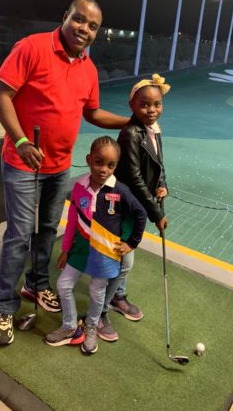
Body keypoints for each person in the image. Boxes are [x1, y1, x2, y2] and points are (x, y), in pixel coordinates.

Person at [0, 0, 129, 346]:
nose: (84, 29)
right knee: (20, 234)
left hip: (60, 165)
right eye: (79, 20)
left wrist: (133, 121)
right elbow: (0, 94)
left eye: (93, 26)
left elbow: (93, 113)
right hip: (22, 161)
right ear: (64, 17)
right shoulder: (32, 47)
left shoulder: (88, 69)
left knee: (48, 230)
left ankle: (36, 286)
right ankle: (4, 307)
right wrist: (21, 140)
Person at [44, 136, 147, 355]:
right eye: (98, 162)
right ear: (89, 159)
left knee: (96, 291)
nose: (103, 170)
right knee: (63, 284)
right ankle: (70, 326)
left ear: (116, 166)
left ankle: (91, 326)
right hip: (80, 250)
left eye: (110, 165)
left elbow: (140, 213)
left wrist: (131, 243)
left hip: (104, 253)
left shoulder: (120, 191)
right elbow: (72, 220)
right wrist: (65, 249)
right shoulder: (79, 186)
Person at [98, 74, 171, 342]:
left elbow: (158, 165)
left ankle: (118, 297)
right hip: (125, 205)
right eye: (144, 105)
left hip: (139, 205)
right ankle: (100, 312)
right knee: (121, 261)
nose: (151, 110)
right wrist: (157, 213)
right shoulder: (130, 133)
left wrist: (162, 185)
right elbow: (135, 178)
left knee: (124, 261)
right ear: (132, 105)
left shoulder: (153, 129)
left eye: (157, 104)